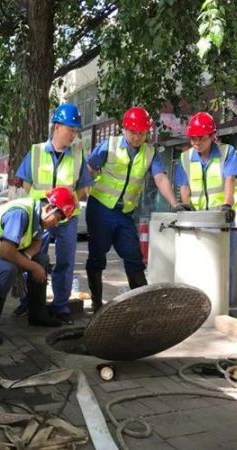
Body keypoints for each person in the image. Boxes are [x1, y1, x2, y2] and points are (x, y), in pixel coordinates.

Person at [85, 106, 181, 312]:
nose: (137, 137)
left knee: (134, 257)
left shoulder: (150, 152)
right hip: (100, 209)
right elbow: (89, 170)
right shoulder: (108, 146)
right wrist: (79, 196)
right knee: (97, 257)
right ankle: (96, 304)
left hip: (125, 213)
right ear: (124, 129)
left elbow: (160, 177)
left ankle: (143, 306)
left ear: (148, 132)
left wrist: (176, 204)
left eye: (142, 133)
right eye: (133, 132)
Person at [0, 187, 77, 345]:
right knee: (6, 269)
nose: (57, 224)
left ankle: (37, 314)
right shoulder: (21, 214)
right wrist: (32, 267)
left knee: (41, 259)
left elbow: (37, 243)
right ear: (48, 208)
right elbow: (6, 252)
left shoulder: (38, 215)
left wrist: (27, 259)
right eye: (58, 218)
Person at [13, 103, 94, 324]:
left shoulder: (78, 154)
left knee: (65, 262)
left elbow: (82, 187)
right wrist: (42, 206)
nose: (73, 135)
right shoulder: (36, 151)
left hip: (67, 219)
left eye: (76, 131)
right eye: (71, 129)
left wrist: (68, 205)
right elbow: (26, 183)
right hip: (41, 218)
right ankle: (31, 303)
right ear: (57, 127)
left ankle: (60, 307)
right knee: (35, 258)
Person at [173, 112, 237, 305]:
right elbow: (184, 186)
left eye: (201, 138)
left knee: (224, 263)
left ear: (212, 136)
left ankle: (223, 305)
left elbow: (233, 179)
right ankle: (199, 305)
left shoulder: (226, 152)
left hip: (222, 217)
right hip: (199, 219)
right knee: (198, 263)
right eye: (193, 138)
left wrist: (228, 205)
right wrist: (186, 205)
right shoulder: (185, 158)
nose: (197, 142)